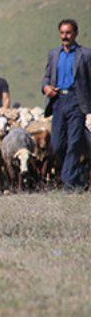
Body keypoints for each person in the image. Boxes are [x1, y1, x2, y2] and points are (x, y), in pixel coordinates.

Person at [42, 19, 91, 192]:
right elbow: (47, 77)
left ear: (75, 33)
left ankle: (69, 184)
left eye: (68, 33)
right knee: (57, 144)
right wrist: (46, 87)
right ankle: (78, 178)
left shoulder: (85, 54)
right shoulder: (54, 54)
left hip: (77, 101)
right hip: (58, 102)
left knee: (74, 142)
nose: (65, 36)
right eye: (62, 33)